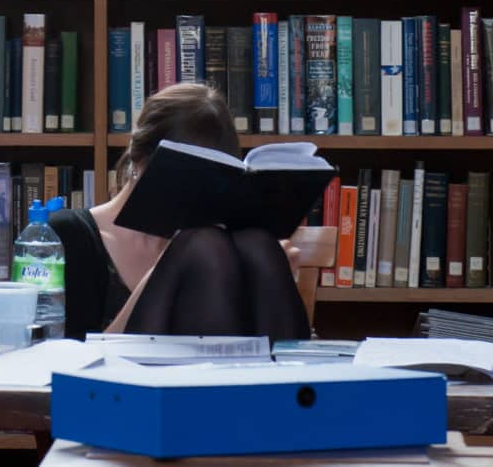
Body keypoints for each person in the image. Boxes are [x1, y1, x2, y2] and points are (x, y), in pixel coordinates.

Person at [50, 83, 311, 341]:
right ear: (138, 160)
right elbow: (73, 361)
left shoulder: (227, 246)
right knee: (202, 245)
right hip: (118, 376)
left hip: (215, 376)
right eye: (184, 175)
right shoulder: (72, 234)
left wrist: (267, 278)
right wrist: (164, 267)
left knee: (258, 245)